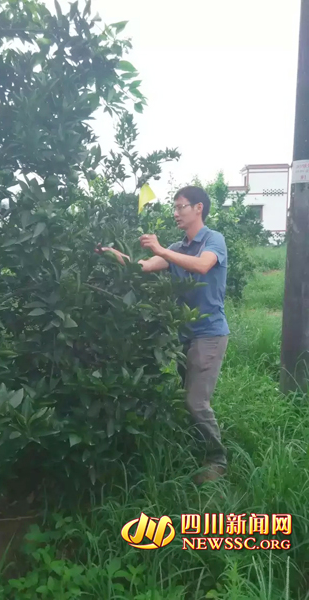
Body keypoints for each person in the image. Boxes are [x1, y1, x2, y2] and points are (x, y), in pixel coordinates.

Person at [95, 186, 229, 485]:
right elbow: (141, 266)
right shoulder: (176, 247)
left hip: (209, 333)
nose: (176, 212)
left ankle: (217, 459)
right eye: (175, 206)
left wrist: (162, 250)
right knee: (188, 397)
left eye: (181, 206)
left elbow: (203, 265)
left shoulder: (213, 240)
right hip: (184, 334)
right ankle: (197, 447)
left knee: (196, 401)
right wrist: (111, 253)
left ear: (198, 208)